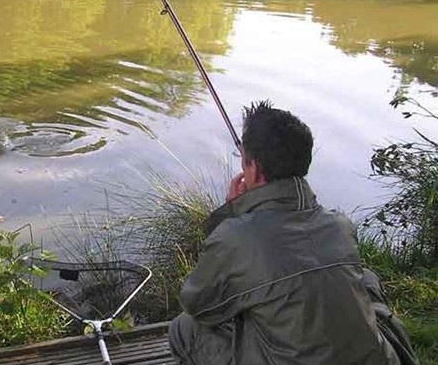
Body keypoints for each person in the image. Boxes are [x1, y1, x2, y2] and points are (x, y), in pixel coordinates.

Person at [168, 101, 414, 365]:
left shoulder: (234, 236)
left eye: (244, 160)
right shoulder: (340, 226)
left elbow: (198, 303)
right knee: (366, 277)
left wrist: (233, 214)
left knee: (183, 328)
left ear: (254, 169)